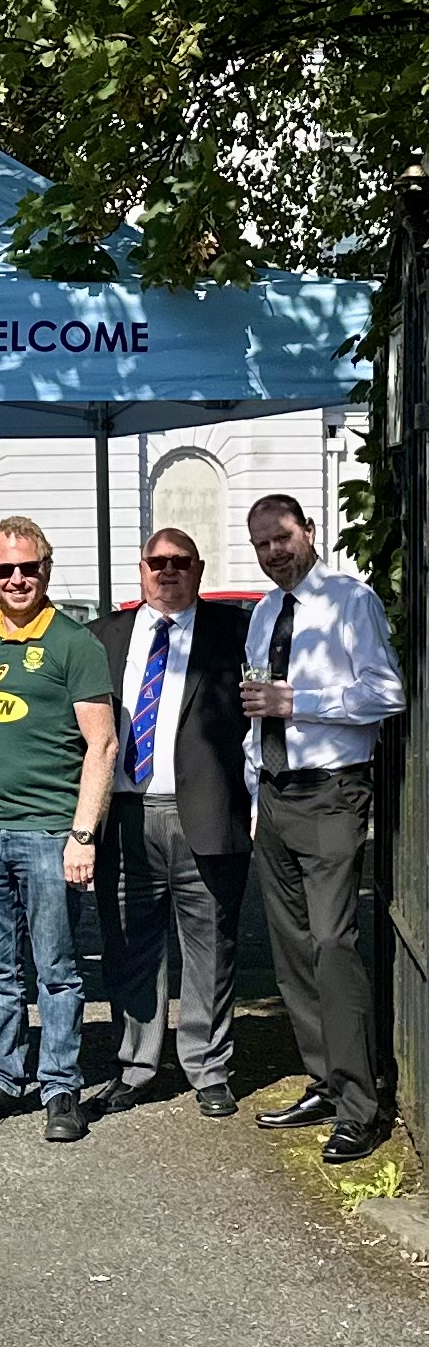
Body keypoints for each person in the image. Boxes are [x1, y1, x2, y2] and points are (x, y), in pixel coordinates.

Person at [241, 494, 406, 1163]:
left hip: (333, 792)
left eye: (281, 538)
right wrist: (256, 786)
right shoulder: (262, 612)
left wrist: (297, 700)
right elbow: (255, 707)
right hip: (276, 795)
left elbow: (387, 693)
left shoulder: (349, 601)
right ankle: (324, 1083)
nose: (273, 552)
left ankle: (361, 1107)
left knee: (334, 946)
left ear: (308, 532)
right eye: (261, 544)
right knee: (292, 950)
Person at [0, 516, 117, 1143]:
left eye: (29, 567)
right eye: (4, 570)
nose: (17, 579)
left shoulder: (76, 644)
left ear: (47, 567)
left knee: (57, 969)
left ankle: (61, 1089)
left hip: (51, 834)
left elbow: (101, 746)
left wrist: (83, 835)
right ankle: (1, 1078)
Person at [90, 529, 252, 1119]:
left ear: (199, 569)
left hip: (204, 815)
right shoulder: (103, 636)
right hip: (127, 818)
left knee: (211, 947)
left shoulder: (234, 632)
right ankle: (136, 1065)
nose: (168, 572)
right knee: (131, 946)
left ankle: (207, 1066)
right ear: (141, 570)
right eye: (157, 562)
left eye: (180, 562)